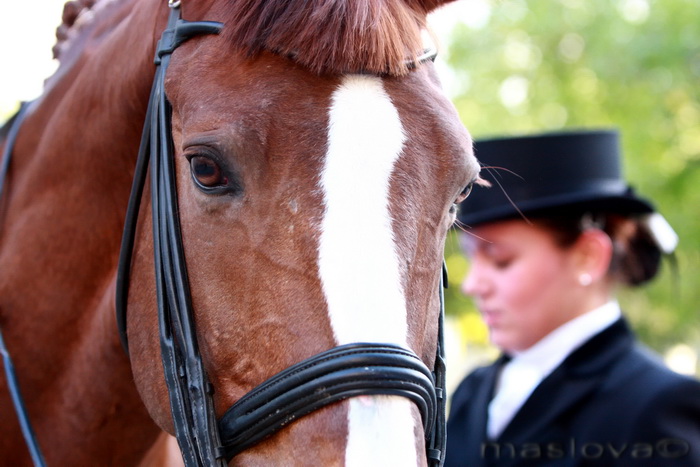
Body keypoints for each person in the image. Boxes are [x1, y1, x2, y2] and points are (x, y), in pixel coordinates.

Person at [444, 130, 700, 466]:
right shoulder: (472, 392)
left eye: (501, 260)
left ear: (588, 257)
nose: (472, 284)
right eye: (470, 257)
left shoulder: (657, 404)